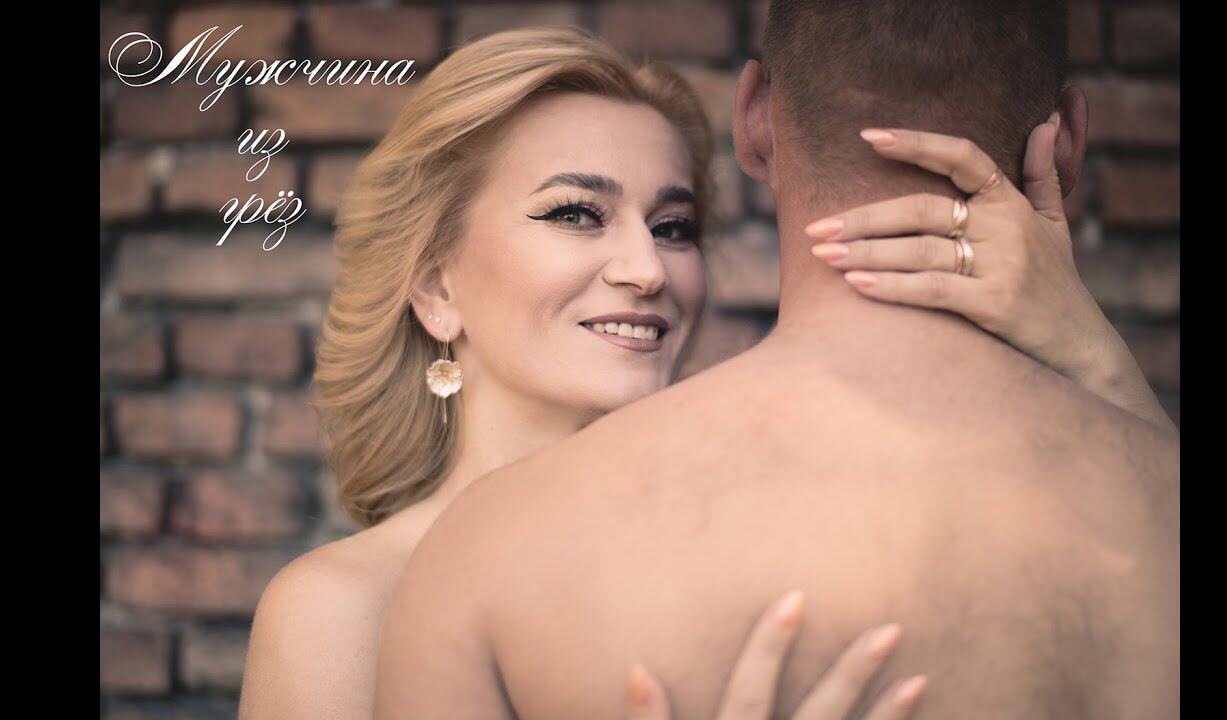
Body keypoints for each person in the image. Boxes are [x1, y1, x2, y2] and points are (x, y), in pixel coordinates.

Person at [373, 3, 1178, 719]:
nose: (645, 272)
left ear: (755, 118)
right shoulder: (1155, 503)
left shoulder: (488, 556)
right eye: (576, 215)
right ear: (1068, 142)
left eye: (673, 227)